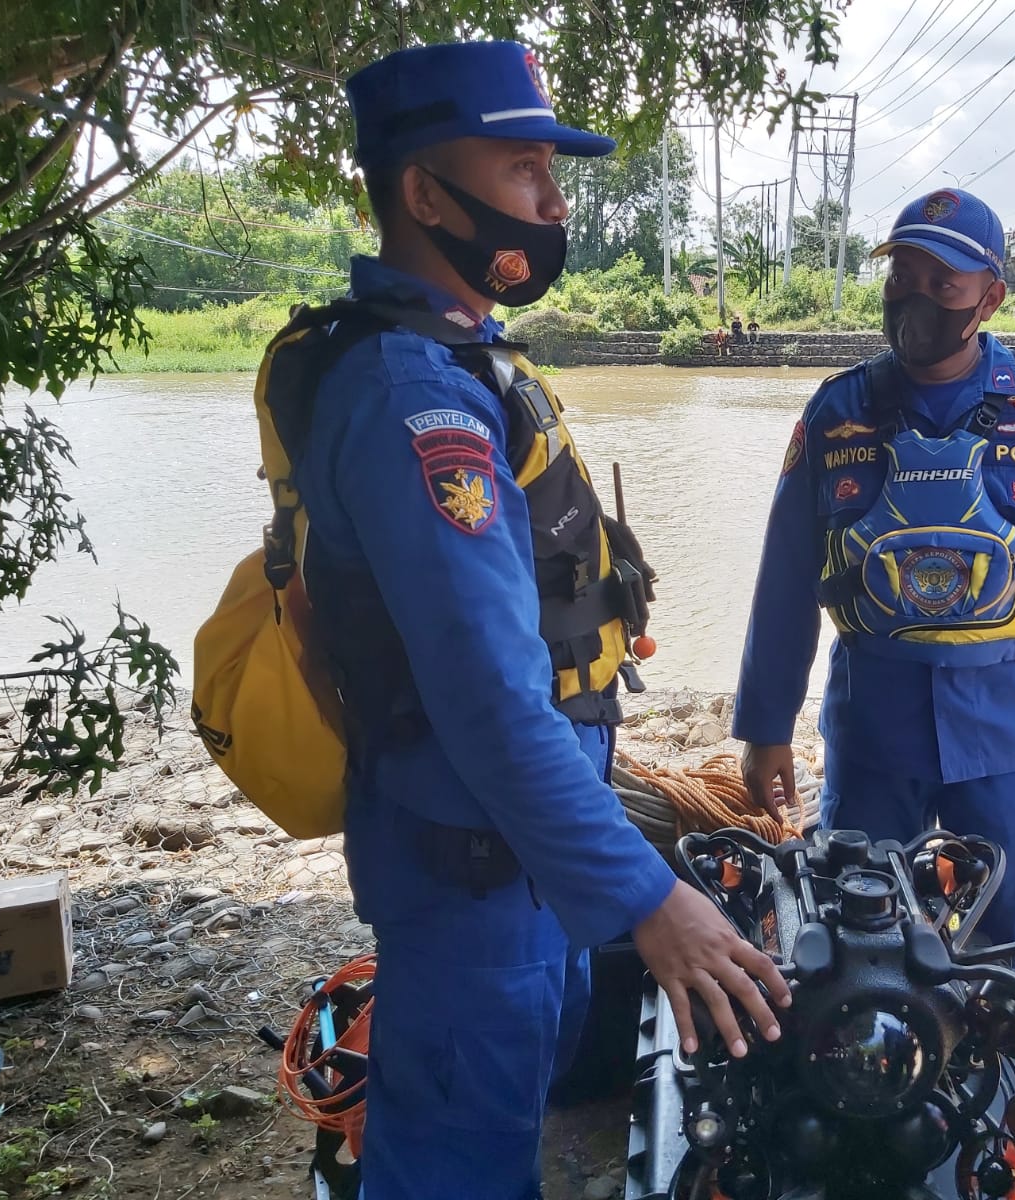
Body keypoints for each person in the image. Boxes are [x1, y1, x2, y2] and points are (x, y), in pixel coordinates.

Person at [309, 41, 787, 1199]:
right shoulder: (416, 396)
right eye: (523, 168)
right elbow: (486, 700)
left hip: (517, 869)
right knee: (457, 1167)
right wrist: (645, 898)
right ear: (424, 192)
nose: (554, 201)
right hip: (477, 878)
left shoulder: (464, 358)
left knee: (502, 1125)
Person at [733, 188, 1015, 953]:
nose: (916, 299)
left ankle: (1012, 1066)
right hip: (873, 720)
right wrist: (765, 727)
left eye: (941, 284)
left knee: (1013, 935)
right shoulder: (837, 413)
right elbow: (785, 582)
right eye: (901, 278)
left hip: (1006, 722)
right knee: (859, 935)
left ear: (991, 297)